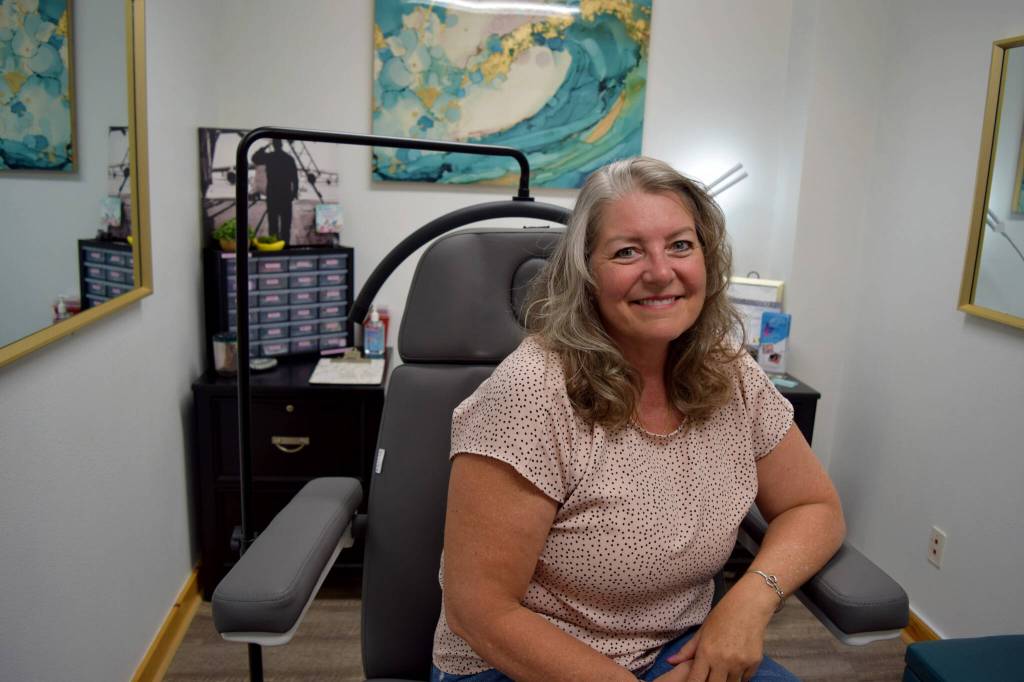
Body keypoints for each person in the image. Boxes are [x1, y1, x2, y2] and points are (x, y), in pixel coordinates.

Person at [431, 157, 846, 682]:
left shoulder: (730, 372)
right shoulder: (532, 390)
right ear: (586, 273)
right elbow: (479, 610)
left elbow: (815, 507)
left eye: (680, 245)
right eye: (627, 251)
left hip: (675, 651)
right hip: (523, 663)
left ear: (707, 257)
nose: (660, 272)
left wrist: (749, 602)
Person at [253, 139, 299, 243]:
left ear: (273, 145)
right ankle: (285, 245)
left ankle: (273, 245)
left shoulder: (269, 157)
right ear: (281, 145)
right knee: (286, 225)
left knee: (273, 224)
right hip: (285, 195)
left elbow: (255, 158)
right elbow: (295, 178)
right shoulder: (289, 159)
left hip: (272, 194)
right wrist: (294, 193)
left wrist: (264, 147)